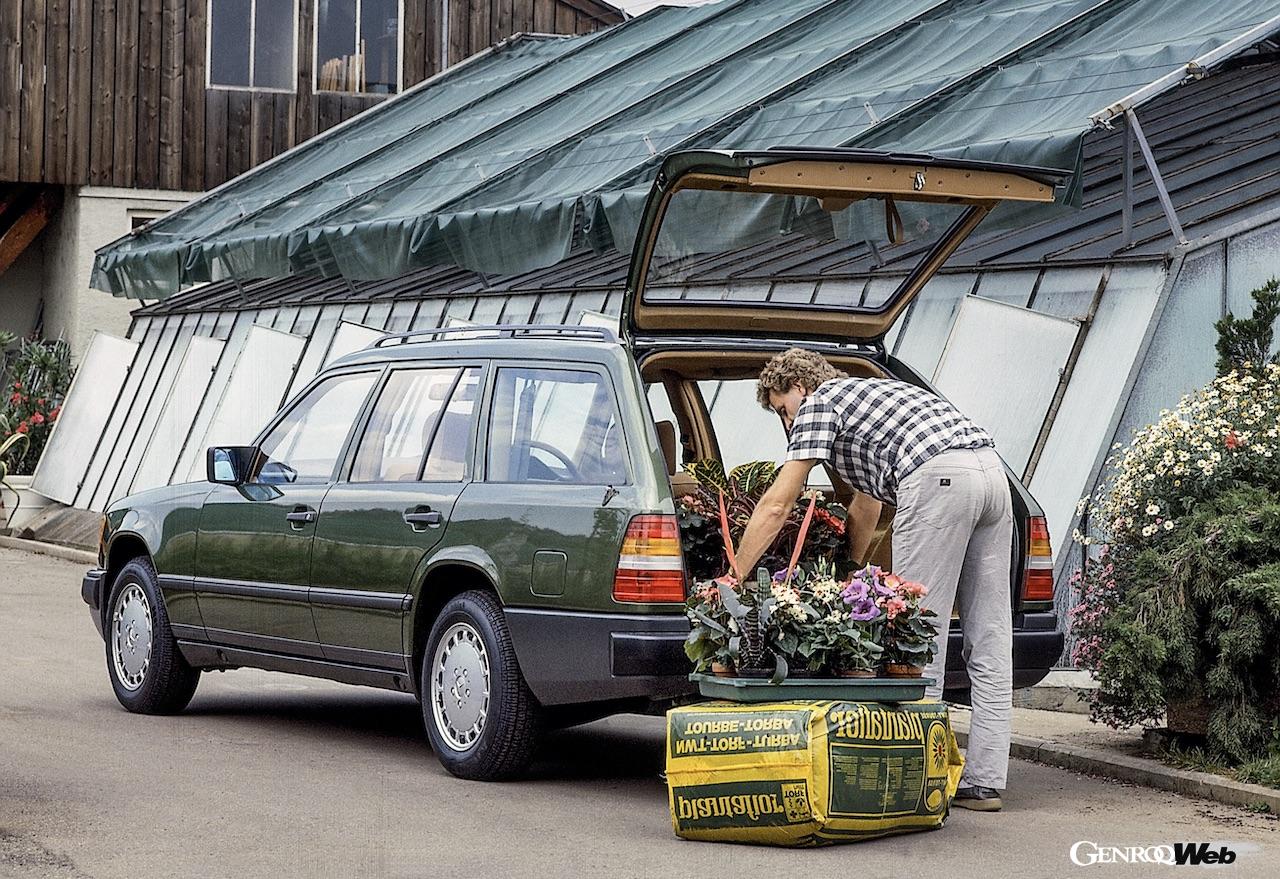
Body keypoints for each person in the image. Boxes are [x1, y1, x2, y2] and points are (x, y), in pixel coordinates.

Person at [730, 347, 1013, 812]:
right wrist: (851, 571)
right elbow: (867, 505)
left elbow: (779, 503)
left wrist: (737, 573)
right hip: (992, 476)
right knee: (990, 636)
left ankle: (924, 781)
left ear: (799, 387)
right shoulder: (873, 395)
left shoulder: (818, 404)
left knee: (919, 634)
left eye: (783, 409)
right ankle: (984, 782)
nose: (786, 422)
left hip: (938, 479)